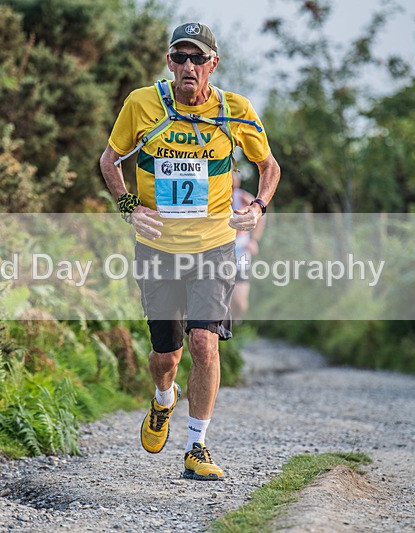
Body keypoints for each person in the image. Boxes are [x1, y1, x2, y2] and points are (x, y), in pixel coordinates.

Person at [99, 22, 280, 481]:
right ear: (168, 62)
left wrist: (257, 207)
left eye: (197, 59)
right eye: (179, 57)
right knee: (167, 356)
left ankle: (197, 446)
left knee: (204, 342)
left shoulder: (237, 111)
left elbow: (268, 166)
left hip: (214, 247)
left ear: (213, 65)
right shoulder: (142, 104)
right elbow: (109, 160)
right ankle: (163, 400)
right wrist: (128, 206)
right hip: (158, 247)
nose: (188, 67)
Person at [231, 168, 266, 320]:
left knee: (240, 303)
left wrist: (254, 240)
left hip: (240, 253)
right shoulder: (210, 199)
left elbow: (261, 215)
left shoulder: (242, 197)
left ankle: (234, 324)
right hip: (217, 252)